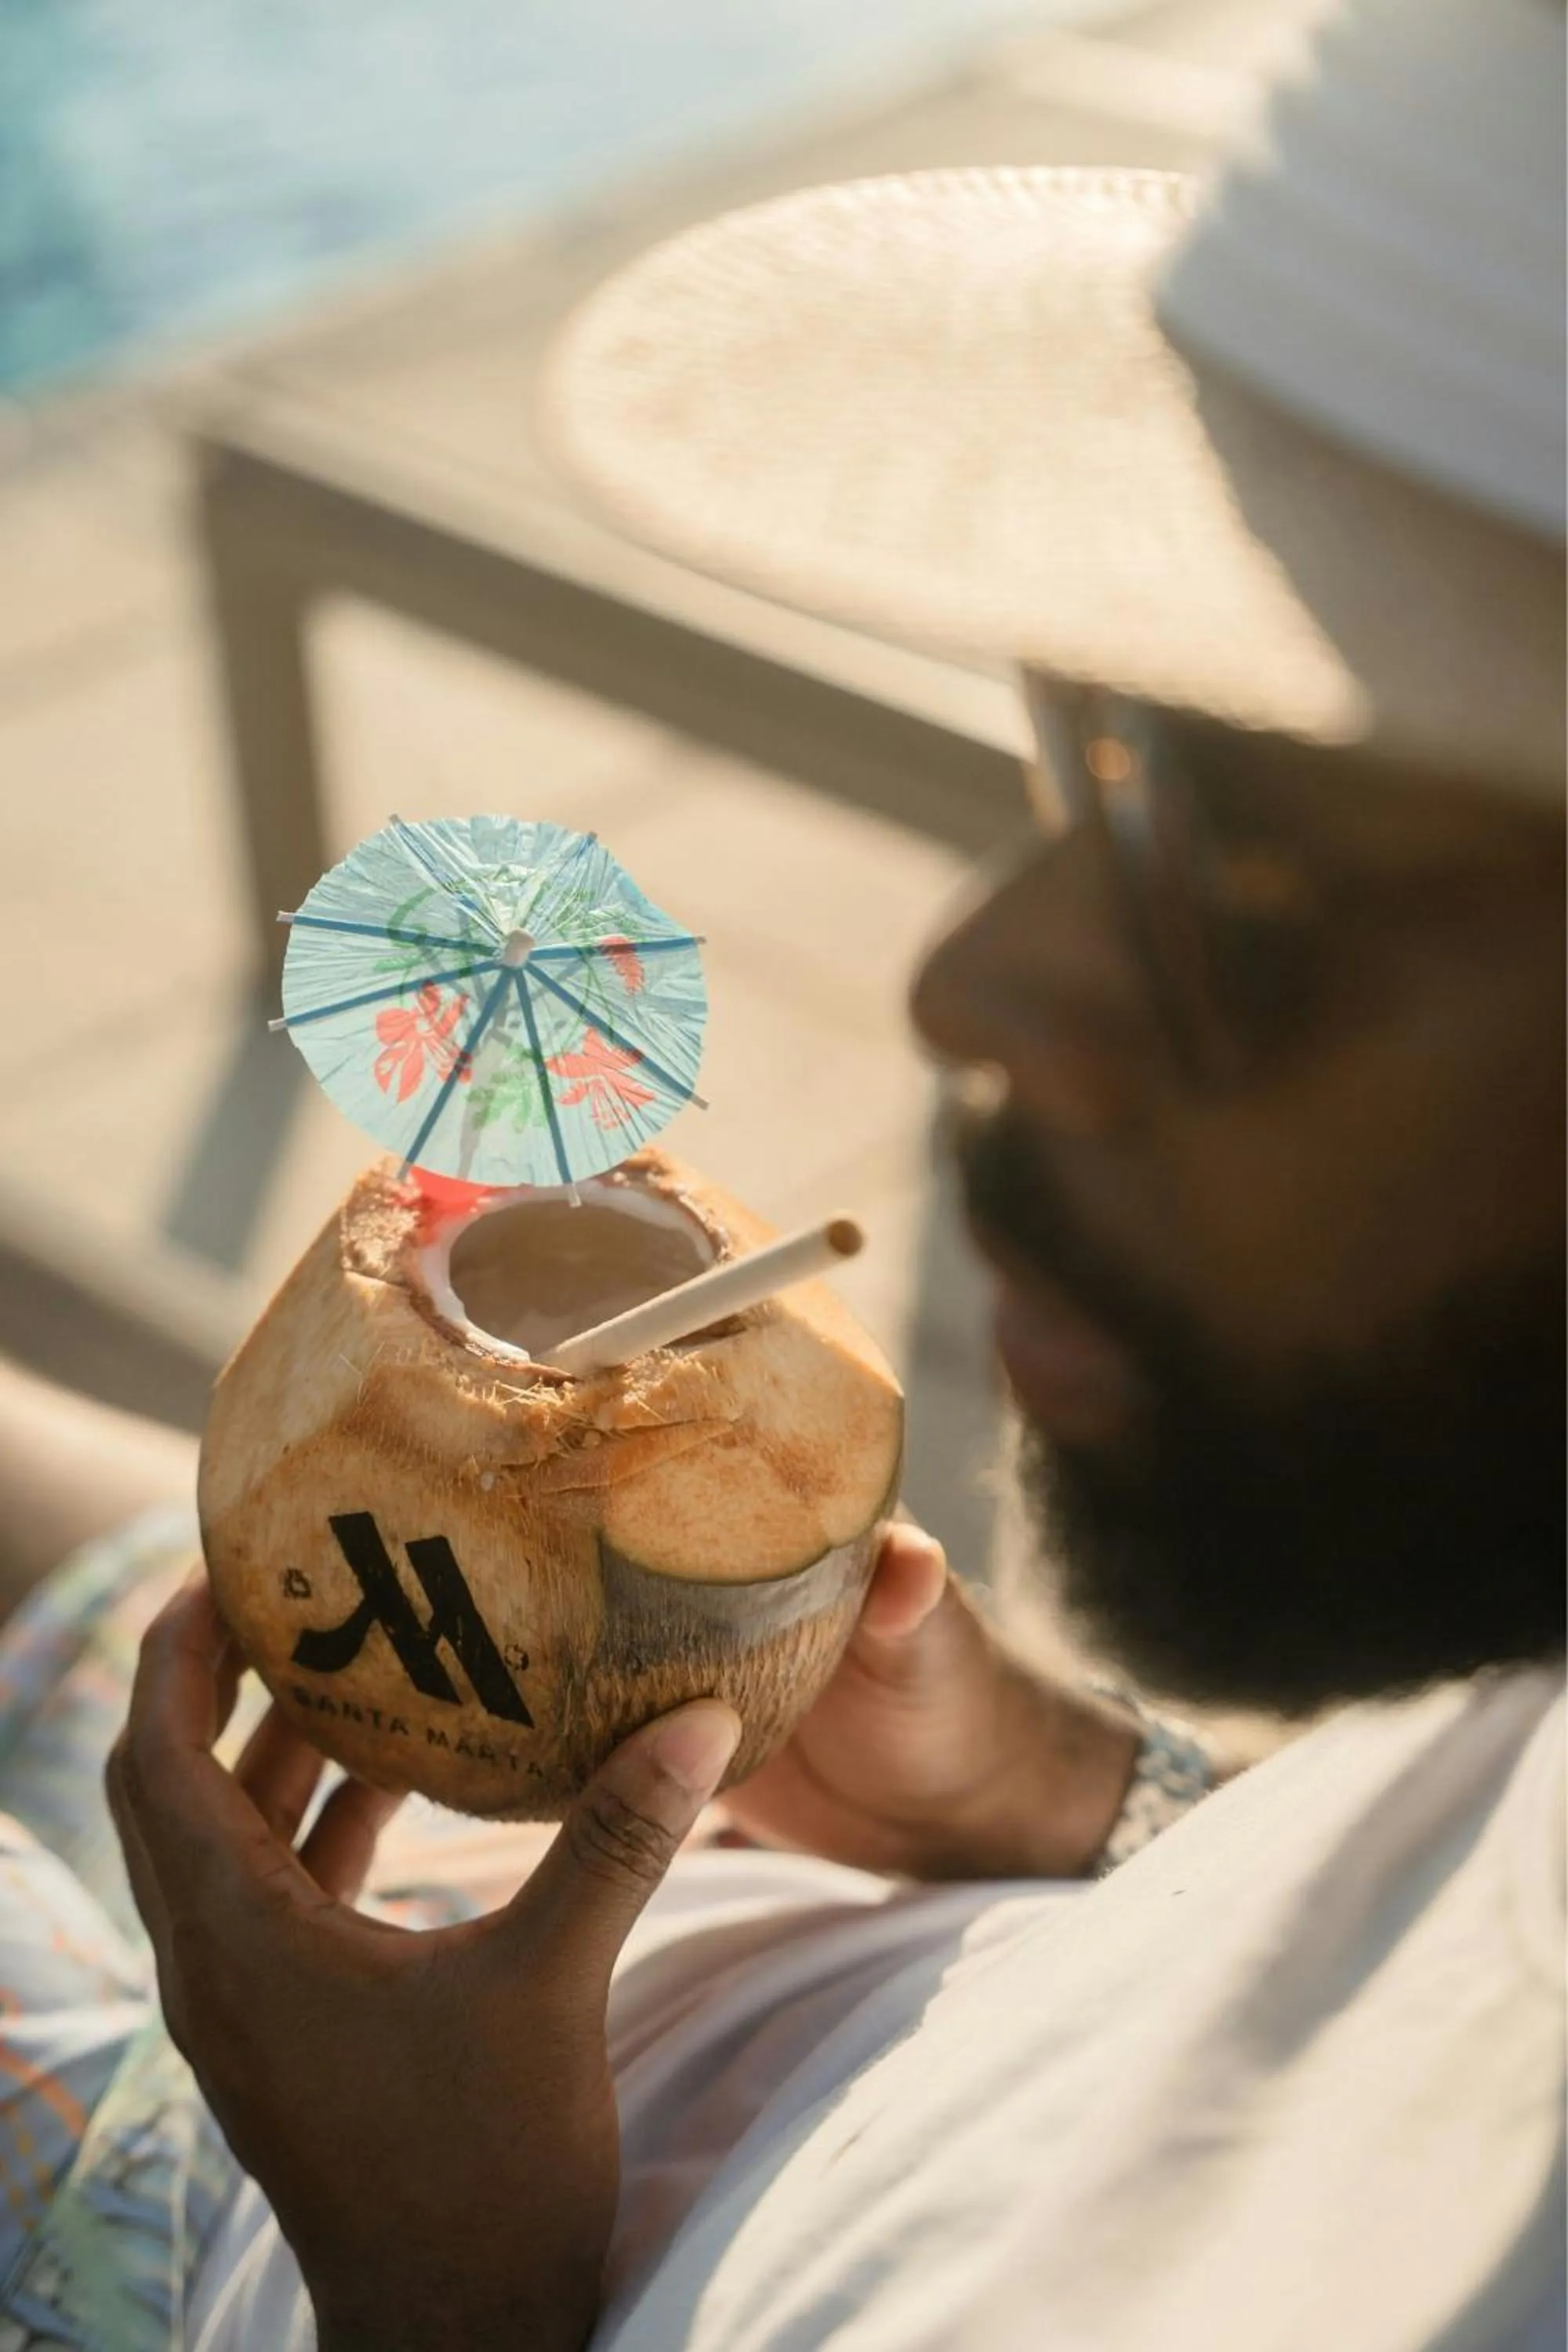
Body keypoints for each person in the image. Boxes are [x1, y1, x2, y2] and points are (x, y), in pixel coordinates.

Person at [2, 0, 1562, 2343]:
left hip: (239, 2238)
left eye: (1248, 890)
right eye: (1102, 763)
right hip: (640, 1898)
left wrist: (435, 2285)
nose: (973, 979)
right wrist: (1054, 1796)